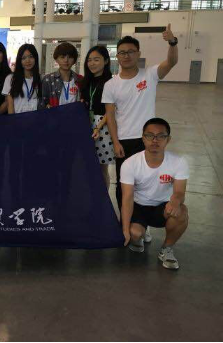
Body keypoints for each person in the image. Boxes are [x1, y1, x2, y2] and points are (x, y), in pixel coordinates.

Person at [102, 25, 179, 214]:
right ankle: (126, 222)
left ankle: (143, 223)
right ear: (117, 56)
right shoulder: (111, 85)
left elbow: (171, 62)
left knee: (147, 182)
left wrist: (172, 42)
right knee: (124, 184)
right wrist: (115, 142)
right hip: (124, 141)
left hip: (148, 140)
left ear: (138, 54)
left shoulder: (150, 75)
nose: (126, 56)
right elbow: (110, 116)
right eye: (122, 52)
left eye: (130, 52)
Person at [120, 118, 189, 270]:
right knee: (134, 234)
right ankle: (140, 232)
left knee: (181, 212)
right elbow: (127, 198)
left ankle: (166, 249)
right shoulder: (130, 164)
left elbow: (179, 192)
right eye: (150, 135)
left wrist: (175, 201)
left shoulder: (178, 162)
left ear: (168, 139)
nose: (155, 140)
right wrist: (125, 230)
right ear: (143, 138)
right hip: (139, 206)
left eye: (161, 136)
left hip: (163, 207)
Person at [80, 45, 114, 188]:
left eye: (96, 59)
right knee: (87, 165)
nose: (92, 63)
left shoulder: (111, 83)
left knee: (102, 168)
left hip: (103, 127)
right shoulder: (85, 81)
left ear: (105, 61)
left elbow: (111, 110)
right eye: (89, 60)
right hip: (86, 123)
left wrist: (98, 128)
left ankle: (103, 197)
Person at [2, 44, 42, 114]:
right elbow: (10, 105)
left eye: (31, 57)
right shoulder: (11, 78)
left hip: (36, 118)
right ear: (19, 60)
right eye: (24, 58)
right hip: (18, 119)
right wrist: (12, 120)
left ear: (35, 58)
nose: (28, 61)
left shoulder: (41, 78)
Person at [42, 42, 82, 108]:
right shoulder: (48, 79)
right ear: (56, 59)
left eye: (70, 57)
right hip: (54, 114)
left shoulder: (80, 79)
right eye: (62, 57)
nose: (66, 60)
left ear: (74, 60)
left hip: (75, 114)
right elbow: (42, 102)